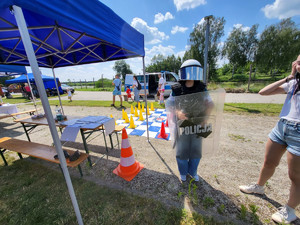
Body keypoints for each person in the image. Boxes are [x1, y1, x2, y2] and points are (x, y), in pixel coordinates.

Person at [239, 55, 300, 224]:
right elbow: (263, 92)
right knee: (268, 162)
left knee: (295, 176)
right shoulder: (293, 84)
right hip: (282, 126)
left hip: (299, 131)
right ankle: (259, 187)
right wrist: (289, 76)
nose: (297, 64)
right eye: (296, 61)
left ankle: (290, 210)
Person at [168, 59, 214, 182]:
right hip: (182, 124)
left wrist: (205, 118)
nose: (192, 73)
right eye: (190, 70)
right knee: (182, 149)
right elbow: (170, 104)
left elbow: (210, 104)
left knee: (196, 149)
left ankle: (193, 171)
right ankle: (183, 172)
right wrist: (177, 112)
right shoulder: (177, 88)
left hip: (197, 123)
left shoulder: (202, 88)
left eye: (195, 70)